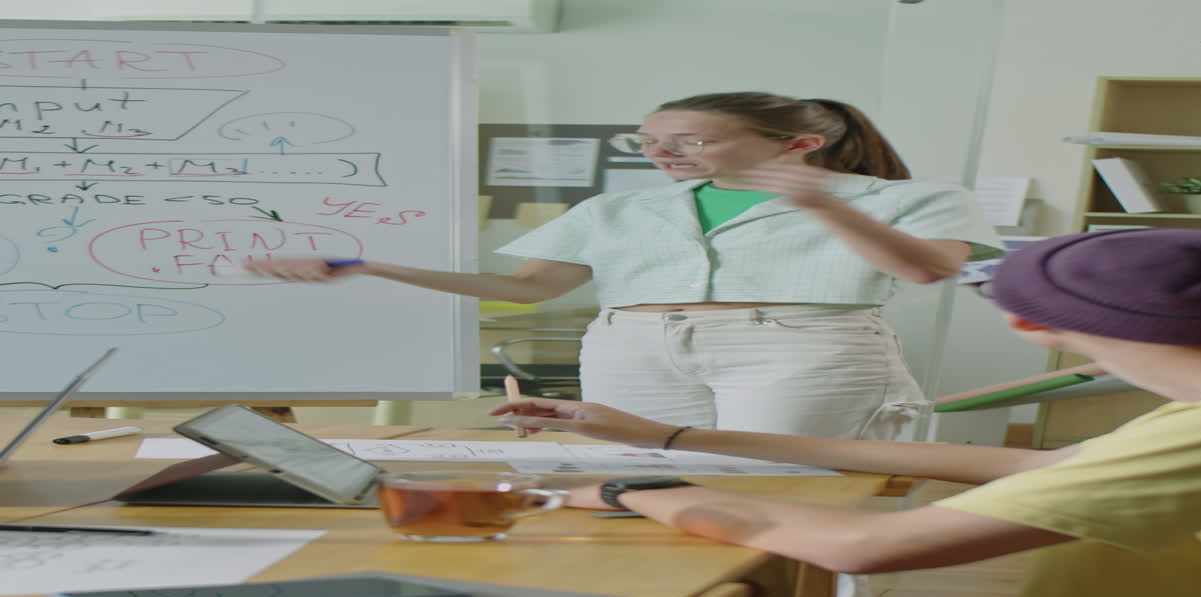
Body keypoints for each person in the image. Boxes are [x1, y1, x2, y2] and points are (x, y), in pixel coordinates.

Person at [489, 227, 1201, 597]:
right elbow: (1032, 466)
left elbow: (867, 548)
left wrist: (629, 487)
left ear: (1033, 325)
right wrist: (669, 435)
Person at [245, 91, 1002, 440]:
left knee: (780, 481)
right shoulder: (621, 209)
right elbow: (526, 290)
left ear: (797, 144)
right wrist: (373, 267)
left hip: (799, 347)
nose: (662, 154)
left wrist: (826, 208)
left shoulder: (910, 197)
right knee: (640, 483)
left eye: (690, 141)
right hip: (631, 347)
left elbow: (926, 273)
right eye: (649, 141)